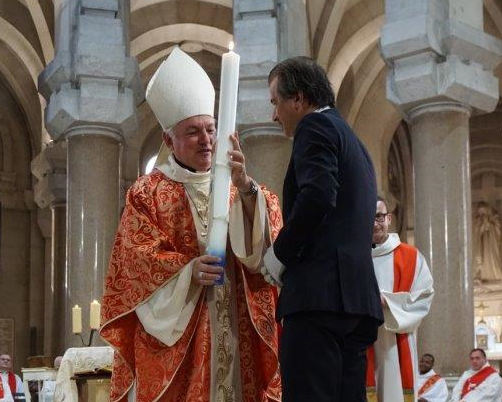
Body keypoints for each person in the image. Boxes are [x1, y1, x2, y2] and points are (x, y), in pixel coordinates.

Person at [100, 48, 283, 402]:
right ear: (169, 141)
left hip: (236, 326)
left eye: (211, 129)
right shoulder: (148, 192)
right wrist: (187, 271)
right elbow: (135, 263)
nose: (207, 140)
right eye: (193, 132)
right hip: (183, 337)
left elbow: (268, 250)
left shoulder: (236, 184)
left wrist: (247, 189)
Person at [261, 56, 383, 402]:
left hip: (319, 300)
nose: (274, 115)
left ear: (298, 99)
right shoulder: (354, 142)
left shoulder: (313, 127)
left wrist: (279, 254)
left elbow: (317, 195)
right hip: (356, 303)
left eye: (276, 103)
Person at [366, 196, 434, 402]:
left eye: (379, 216)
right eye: (367, 217)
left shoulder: (411, 256)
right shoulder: (354, 255)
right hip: (361, 340)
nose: (374, 223)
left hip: (396, 340)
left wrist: (387, 302)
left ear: (389, 219)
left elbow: (424, 296)